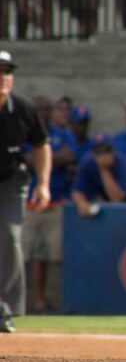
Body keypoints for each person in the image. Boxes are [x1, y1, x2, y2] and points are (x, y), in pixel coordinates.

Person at [0, 50, 50, 333]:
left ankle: (4, 310)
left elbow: (41, 145)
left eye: (7, 71)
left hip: (10, 181)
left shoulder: (22, 108)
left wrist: (43, 184)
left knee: (9, 236)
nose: (3, 77)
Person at [22, 95, 76, 314]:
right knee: (30, 255)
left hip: (56, 202)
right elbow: (25, 160)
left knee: (57, 256)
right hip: (29, 203)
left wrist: (43, 157)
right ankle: (34, 303)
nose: (42, 113)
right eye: (39, 109)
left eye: (46, 109)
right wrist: (48, 158)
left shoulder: (63, 133)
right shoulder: (25, 130)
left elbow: (69, 156)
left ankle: (60, 303)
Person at [70, 132, 126, 217]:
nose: (102, 156)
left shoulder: (124, 164)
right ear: (93, 154)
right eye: (98, 152)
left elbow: (117, 199)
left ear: (113, 151)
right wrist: (82, 203)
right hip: (99, 205)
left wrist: (104, 170)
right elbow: (76, 191)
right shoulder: (88, 162)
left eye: (106, 151)